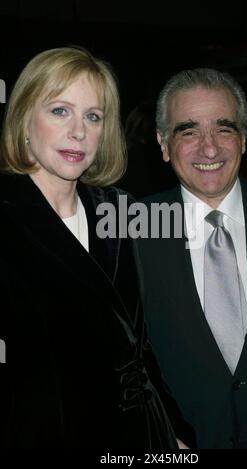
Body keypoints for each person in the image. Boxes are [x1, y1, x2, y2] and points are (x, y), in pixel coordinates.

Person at [0, 47, 194, 449]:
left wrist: (174, 431)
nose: (79, 132)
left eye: (93, 116)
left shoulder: (118, 209)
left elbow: (137, 344)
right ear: (22, 120)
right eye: (60, 111)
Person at [138, 68, 247, 448]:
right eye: (188, 131)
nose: (209, 149)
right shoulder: (131, 234)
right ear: (163, 143)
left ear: (243, 139)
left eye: (224, 129)